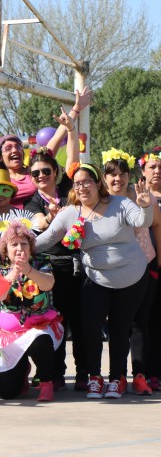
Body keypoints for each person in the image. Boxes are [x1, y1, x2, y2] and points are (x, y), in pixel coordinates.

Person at [36, 162, 154, 399]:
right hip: (96, 279)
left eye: (87, 182)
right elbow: (45, 240)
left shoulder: (120, 204)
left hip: (131, 278)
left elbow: (144, 221)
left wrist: (145, 206)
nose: (82, 187)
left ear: (98, 182)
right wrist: (15, 247)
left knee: (120, 330)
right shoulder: (71, 213)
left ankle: (114, 381)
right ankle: (95, 378)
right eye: (77, 183)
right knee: (90, 329)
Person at [0, 87, 91, 208]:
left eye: (18, 146)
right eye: (8, 148)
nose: (15, 150)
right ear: (0, 157)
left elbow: (59, 135)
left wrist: (76, 109)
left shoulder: (37, 168)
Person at [0, 220, 62, 401]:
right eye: (14, 244)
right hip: (10, 333)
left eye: (24, 244)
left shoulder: (41, 262)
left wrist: (29, 270)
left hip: (39, 326)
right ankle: (22, 369)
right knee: (7, 393)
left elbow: (48, 284)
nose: (19, 248)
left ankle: (46, 381)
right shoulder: (0, 269)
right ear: (6, 249)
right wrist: (13, 274)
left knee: (40, 340)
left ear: (30, 247)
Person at [24, 147, 84, 391]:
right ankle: (56, 375)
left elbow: (73, 161)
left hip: (78, 268)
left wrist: (71, 127)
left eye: (46, 171)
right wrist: (51, 219)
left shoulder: (68, 191)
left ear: (55, 172)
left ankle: (84, 374)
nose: (41, 176)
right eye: (35, 173)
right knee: (55, 324)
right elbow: (38, 222)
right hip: (51, 272)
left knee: (81, 325)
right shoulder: (33, 201)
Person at [103, 148, 160, 395]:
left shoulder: (142, 196)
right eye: (112, 174)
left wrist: (158, 264)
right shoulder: (99, 201)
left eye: (122, 173)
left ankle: (140, 375)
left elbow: (156, 227)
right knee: (118, 325)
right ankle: (117, 376)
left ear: (129, 175)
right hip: (113, 271)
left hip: (146, 268)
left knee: (140, 324)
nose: (118, 179)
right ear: (104, 178)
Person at [139, 147, 161, 391]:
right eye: (152, 166)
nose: (157, 171)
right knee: (149, 322)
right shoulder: (138, 198)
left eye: (160, 167)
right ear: (143, 171)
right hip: (149, 267)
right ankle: (149, 372)